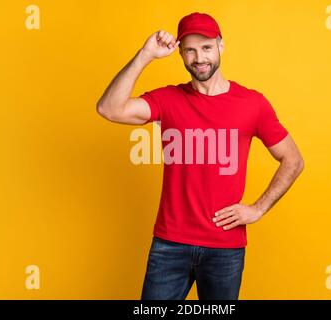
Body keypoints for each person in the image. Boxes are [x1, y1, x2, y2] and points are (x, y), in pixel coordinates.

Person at [96, 12, 304, 300]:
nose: (199, 57)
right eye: (190, 49)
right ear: (180, 53)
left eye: (206, 47)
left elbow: (293, 160)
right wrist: (144, 55)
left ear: (221, 45)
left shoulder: (252, 104)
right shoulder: (167, 100)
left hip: (225, 247)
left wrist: (257, 209)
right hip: (170, 244)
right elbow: (109, 108)